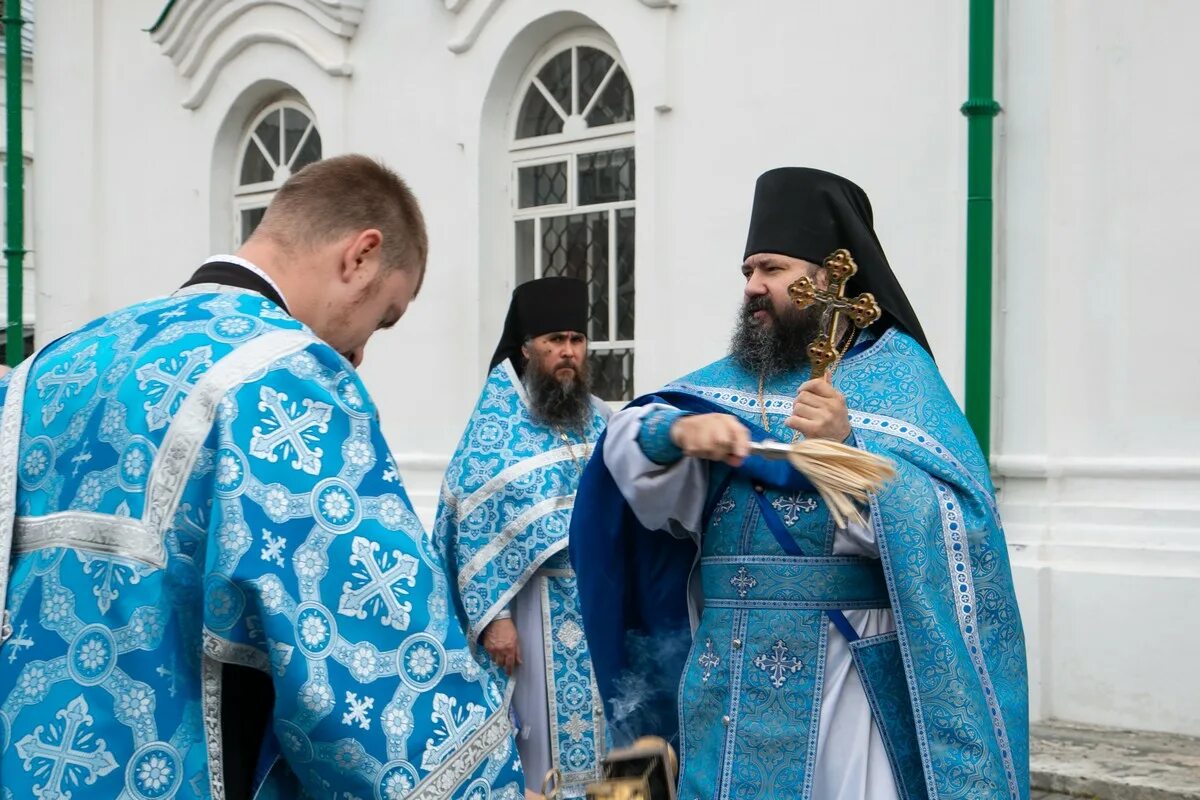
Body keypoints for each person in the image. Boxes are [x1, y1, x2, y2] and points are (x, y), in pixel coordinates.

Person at [0, 155, 524, 799]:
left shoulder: (51, 366)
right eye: (382, 317)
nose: (360, 352)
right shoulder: (284, 379)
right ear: (360, 256)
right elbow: (364, 662)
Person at [570, 167, 1029, 800]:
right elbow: (625, 457)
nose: (754, 287)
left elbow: (960, 531)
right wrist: (674, 436)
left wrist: (849, 450)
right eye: (747, 272)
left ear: (831, 277)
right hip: (727, 679)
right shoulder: (722, 383)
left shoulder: (900, 380)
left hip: (846, 678)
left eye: (773, 269)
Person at [434, 278, 609, 797]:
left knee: (599, 739)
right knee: (538, 737)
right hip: (532, 611)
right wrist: (496, 620)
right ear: (527, 347)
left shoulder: (594, 417)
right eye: (555, 340)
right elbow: (470, 523)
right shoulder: (495, 425)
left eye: (576, 340)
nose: (568, 352)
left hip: (595, 605)